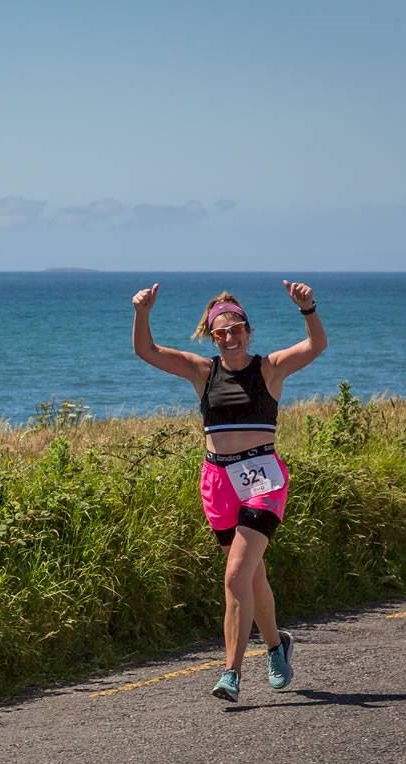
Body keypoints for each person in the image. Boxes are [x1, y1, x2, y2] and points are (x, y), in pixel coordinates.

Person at [131, 280, 326, 702]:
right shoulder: (203, 372)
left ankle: (231, 673)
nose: (229, 337)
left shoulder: (269, 368)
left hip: (262, 481)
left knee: (235, 574)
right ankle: (277, 646)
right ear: (211, 335)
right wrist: (141, 313)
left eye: (236, 328)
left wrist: (308, 310)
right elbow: (147, 352)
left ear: (247, 330)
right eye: (220, 331)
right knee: (252, 577)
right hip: (217, 482)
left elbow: (315, 347)